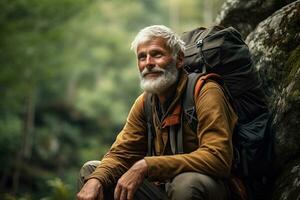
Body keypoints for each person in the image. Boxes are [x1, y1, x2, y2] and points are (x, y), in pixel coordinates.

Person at [76, 25, 238, 200]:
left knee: (186, 184)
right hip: (164, 190)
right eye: (142, 57)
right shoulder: (145, 102)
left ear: (179, 59)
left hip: (210, 189)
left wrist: (147, 165)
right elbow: (122, 153)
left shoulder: (205, 91)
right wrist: (96, 180)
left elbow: (218, 158)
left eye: (157, 54)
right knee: (93, 172)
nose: (148, 63)